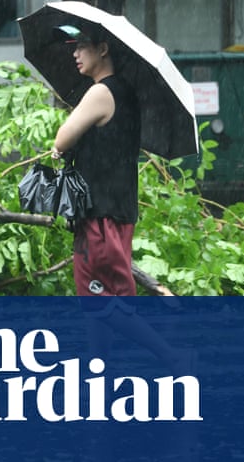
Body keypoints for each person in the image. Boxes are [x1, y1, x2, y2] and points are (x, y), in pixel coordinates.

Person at [51, 24, 191, 370]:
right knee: (95, 294)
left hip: (101, 214)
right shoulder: (126, 93)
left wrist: (60, 146)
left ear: (103, 49)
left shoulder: (101, 93)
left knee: (106, 299)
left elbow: (63, 137)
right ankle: (99, 369)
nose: (75, 53)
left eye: (82, 46)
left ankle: (174, 356)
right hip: (114, 211)